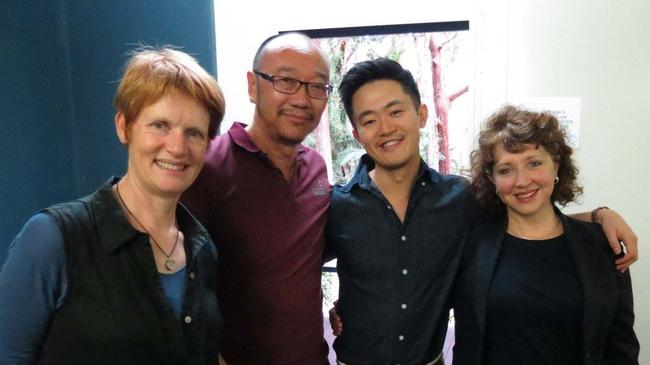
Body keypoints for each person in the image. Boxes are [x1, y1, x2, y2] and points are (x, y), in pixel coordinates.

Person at [326, 58, 638, 365]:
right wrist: (345, 308)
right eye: (369, 120)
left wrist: (599, 216)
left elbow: (531, 213)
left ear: (421, 115)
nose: (385, 128)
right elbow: (291, 268)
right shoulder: (336, 206)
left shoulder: (459, 199)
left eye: (395, 111)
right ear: (356, 134)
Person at [0, 47, 226, 365]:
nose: (177, 147)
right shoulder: (51, 239)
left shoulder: (201, 247)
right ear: (124, 127)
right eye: (159, 125)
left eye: (193, 133)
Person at [181, 33, 332, 364]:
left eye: (317, 86)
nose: (303, 99)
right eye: (286, 81)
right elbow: (178, 287)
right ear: (253, 85)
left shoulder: (317, 169)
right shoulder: (208, 168)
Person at [452, 105, 639, 364]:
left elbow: (621, 349)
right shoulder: (470, 244)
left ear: (556, 165)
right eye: (506, 169)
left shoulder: (602, 245)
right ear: (492, 178)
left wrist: (601, 214)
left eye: (534, 163)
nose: (522, 180)